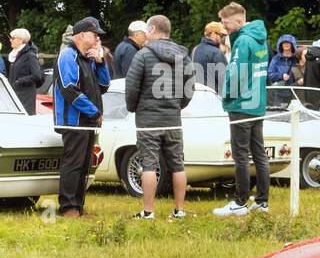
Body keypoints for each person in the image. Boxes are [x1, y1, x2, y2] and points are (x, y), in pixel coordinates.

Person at [124, 15, 195, 220]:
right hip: (173, 117)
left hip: (148, 119)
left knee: (148, 164)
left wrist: (133, 107)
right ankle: (179, 210)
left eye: (148, 30)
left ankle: (148, 211)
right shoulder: (184, 55)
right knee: (177, 164)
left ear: (153, 29)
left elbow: (131, 87)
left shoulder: (143, 55)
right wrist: (178, 105)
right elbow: (190, 87)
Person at [213, 2, 270, 217]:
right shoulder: (259, 38)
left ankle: (240, 202)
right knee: (259, 154)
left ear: (238, 20)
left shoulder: (243, 41)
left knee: (241, 156)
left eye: (225, 23)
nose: (223, 26)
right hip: (257, 104)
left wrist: (227, 98)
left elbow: (237, 73)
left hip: (241, 105)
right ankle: (262, 202)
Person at [53, 18, 111, 218]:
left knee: (85, 165)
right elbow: (70, 89)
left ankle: (78, 206)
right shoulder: (67, 56)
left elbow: (103, 87)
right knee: (74, 163)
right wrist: (94, 112)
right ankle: (68, 207)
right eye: (95, 35)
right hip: (73, 121)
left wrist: (101, 63)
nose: (97, 39)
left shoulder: (88, 58)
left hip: (88, 121)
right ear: (82, 35)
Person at [7, 29, 43, 113]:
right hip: (15, 96)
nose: (10, 40)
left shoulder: (30, 55)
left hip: (25, 98)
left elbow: (37, 75)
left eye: (13, 38)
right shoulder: (14, 55)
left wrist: (20, 80)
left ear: (21, 40)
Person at [192, 22, 228, 93]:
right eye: (221, 35)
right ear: (213, 34)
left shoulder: (195, 49)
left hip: (195, 95)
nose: (222, 38)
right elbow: (224, 80)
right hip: (213, 96)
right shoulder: (216, 52)